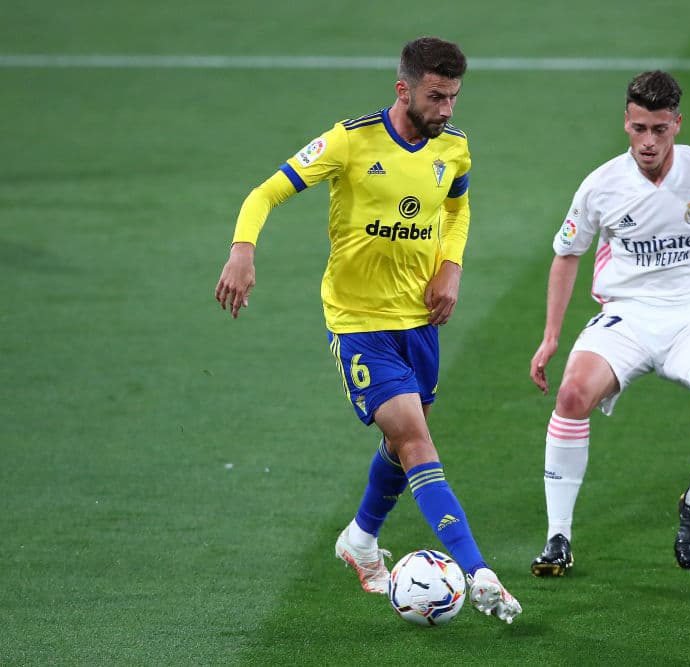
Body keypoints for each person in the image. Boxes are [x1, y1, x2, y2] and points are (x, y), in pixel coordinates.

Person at [214, 37, 521, 623]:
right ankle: (478, 571)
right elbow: (266, 191)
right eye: (436, 96)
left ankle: (359, 539)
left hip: (420, 319)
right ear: (403, 89)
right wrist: (242, 250)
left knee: (403, 441)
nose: (447, 110)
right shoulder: (349, 141)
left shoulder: (454, 149)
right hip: (358, 324)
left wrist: (451, 269)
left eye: (454, 97)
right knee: (415, 442)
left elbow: (457, 209)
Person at [528, 70, 690, 576]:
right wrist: (550, 338)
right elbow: (567, 256)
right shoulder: (601, 185)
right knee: (571, 395)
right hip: (624, 316)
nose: (648, 142)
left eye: (659, 129)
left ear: (677, 124)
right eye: (638, 129)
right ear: (626, 123)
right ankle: (557, 537)